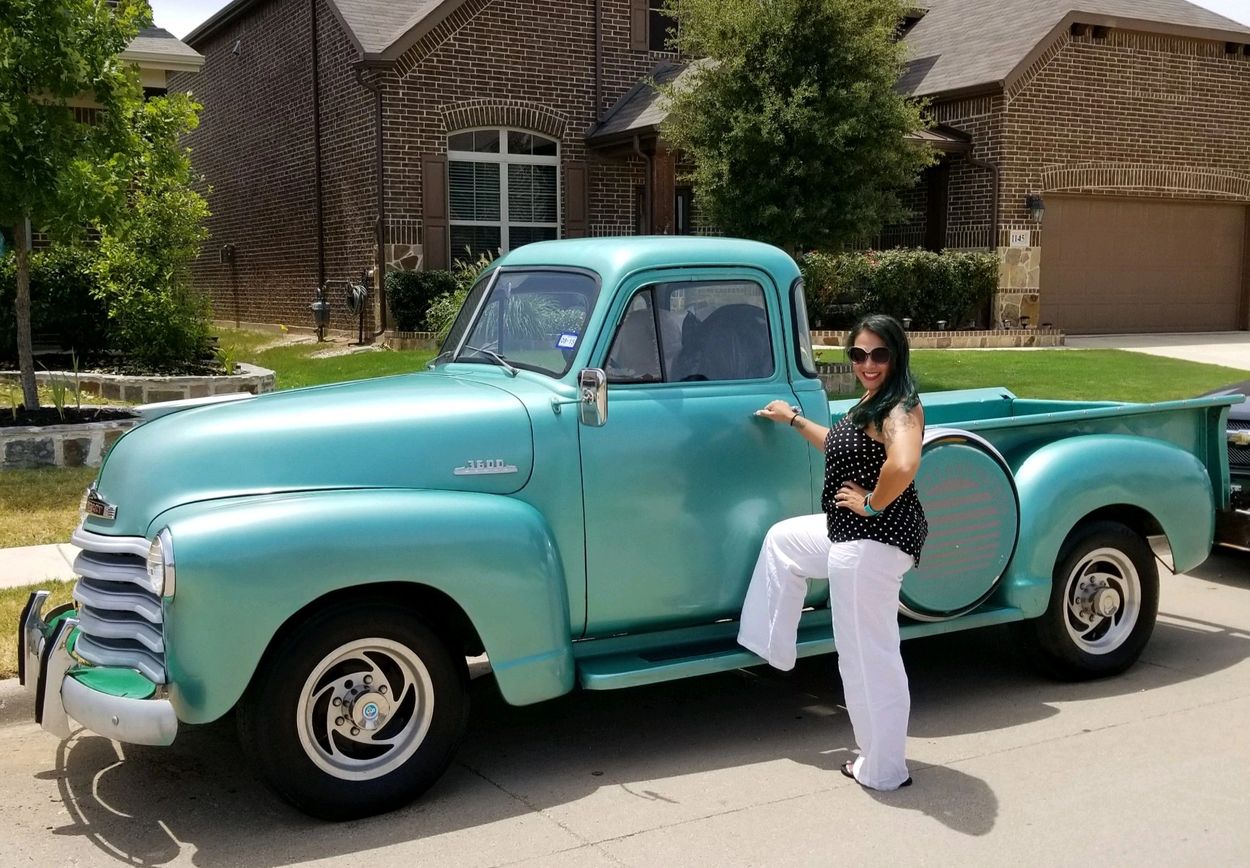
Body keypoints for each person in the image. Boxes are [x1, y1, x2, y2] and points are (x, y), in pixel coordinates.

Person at [738, 313, 928, 791]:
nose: (868, 363)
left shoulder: (900, 407)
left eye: (879, 354)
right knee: (783, 541)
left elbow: (904, 463)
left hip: (871, 545)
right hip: (848, 533)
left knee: (867, 658)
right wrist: (793, 419)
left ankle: (884, 769)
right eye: (859, 354)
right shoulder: (873, 400)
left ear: (897, 355)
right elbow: (838, 444)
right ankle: (774, 650)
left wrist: (872, 503)